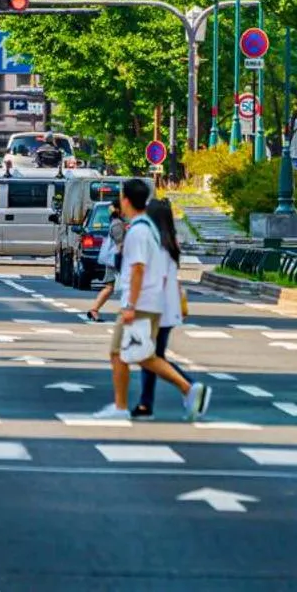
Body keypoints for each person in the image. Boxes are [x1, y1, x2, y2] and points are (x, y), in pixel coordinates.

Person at [94, 179, 210, 421]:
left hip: (141, 303)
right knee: (140, 355)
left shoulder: (138, 231)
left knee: (122, 353)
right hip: (151, 302)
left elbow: (137, 269)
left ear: (126, 200)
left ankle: (122, 406)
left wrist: (130, 305)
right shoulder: (148, 229)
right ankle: (184, 390)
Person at [134, 198, 189, 418]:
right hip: (168, 308)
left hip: (155, 308)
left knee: (150, 357)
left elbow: (161, 279)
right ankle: (145, 403)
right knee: (153, 356)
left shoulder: (157, 244)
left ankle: (191, 387)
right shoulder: (170, 241)